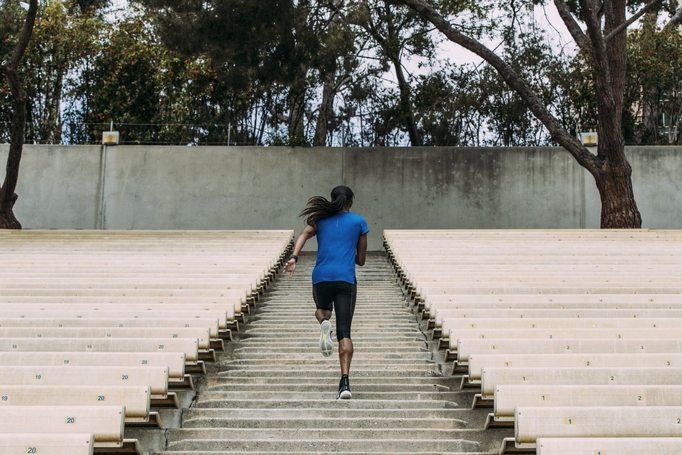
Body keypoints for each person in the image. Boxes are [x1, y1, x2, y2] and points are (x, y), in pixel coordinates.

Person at [283, 185, 369, 399]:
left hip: (321, 277)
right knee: (344, 333)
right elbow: (361, 260)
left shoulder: (319, 219)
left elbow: (303, 234)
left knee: (322, 311)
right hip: (345, 279)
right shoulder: (359, 222)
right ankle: (345, 383)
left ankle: (323, 323)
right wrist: (347, 253)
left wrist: (293, 258)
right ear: (351, 202)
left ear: (332, 200)